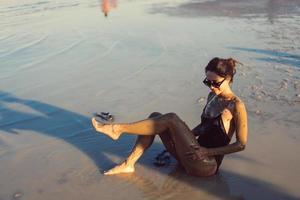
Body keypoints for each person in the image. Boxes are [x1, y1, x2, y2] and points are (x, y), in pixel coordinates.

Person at [91, 57, 248, 177]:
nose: (212, 87)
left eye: (216, 83)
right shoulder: (212, 96)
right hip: (190, 155)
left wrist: (207, 152)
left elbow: (241, 145)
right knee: (155, 117)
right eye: (208, 82)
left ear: (228, 79)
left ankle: (117, 129)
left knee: (171, 118)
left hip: (207, 165)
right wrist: (184, 134)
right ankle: (128, 164)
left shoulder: (236, 105)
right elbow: (205, 127)